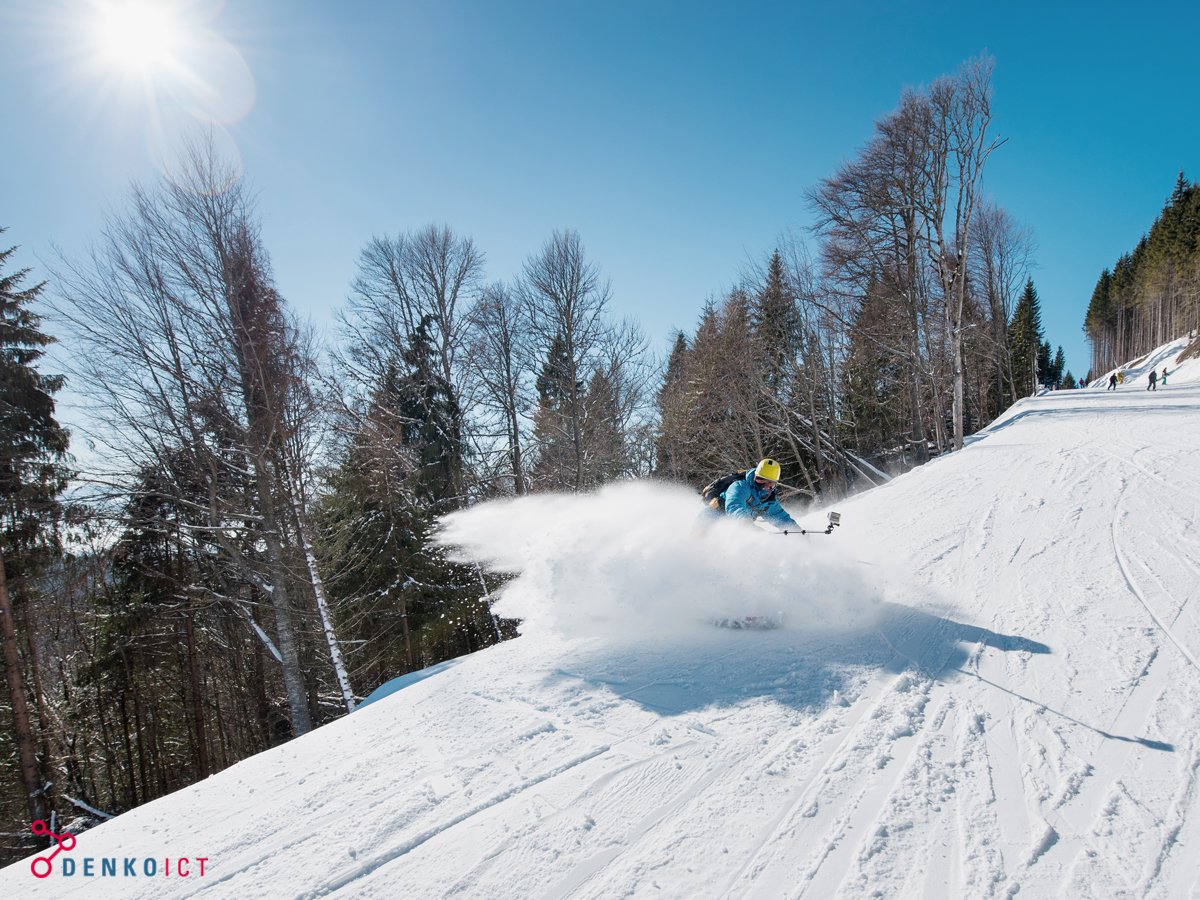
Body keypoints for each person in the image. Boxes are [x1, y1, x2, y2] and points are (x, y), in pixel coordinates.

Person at [700, 458, 800, 531]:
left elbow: (782, 519)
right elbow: (734, 505)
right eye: (760, 479)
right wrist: (745, 521)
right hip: (709, 521)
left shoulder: (768, 500)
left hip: (732, 529)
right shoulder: (740, 486)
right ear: (755, 476)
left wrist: (797, 533)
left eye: (770, 483)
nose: (765, 486)